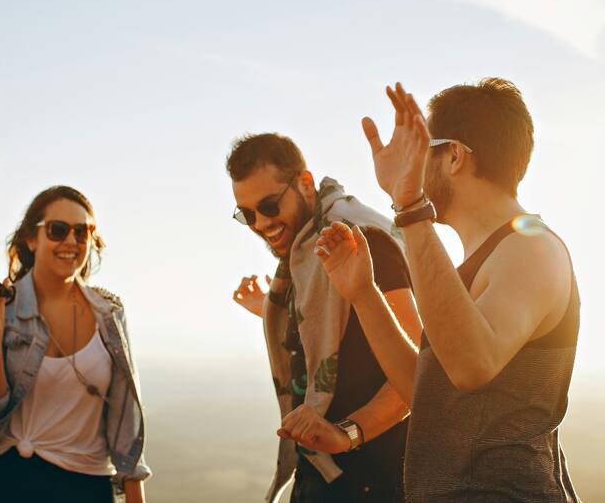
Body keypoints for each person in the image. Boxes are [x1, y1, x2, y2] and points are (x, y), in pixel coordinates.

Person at [298, 79, 580, 501]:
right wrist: (364, 294)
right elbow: (430, 395)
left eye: (420, 151)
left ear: (452, 156)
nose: (412, 165)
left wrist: (409, 207)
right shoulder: (481, 260)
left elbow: (472, 364)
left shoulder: (531, 247)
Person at [228, 133, 421, 502]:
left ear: (304, 183)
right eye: (246, 214)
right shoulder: (304, 254)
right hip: (322, 474)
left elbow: (416, 371)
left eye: (268, 205)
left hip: (375, 479)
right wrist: (269, 310)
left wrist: (348, 435)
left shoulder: (361, 241)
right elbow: (337, 334)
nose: (259, 223)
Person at [0, 185, 150, 503]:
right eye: (58, 230)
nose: (71, 242)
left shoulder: (109, 314)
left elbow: (125, 423)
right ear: (31, 239)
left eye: (82, 232)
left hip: (86, 486)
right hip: (6, 483)